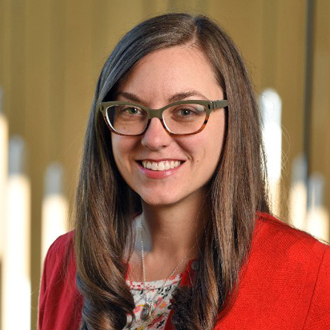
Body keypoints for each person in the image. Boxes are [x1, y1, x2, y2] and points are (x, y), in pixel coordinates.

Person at [38, 13, 330, 330]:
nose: (154, 138)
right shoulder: (66, 260)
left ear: (234, 118)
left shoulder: (309, 271)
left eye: (186, 111)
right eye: (131, 110)